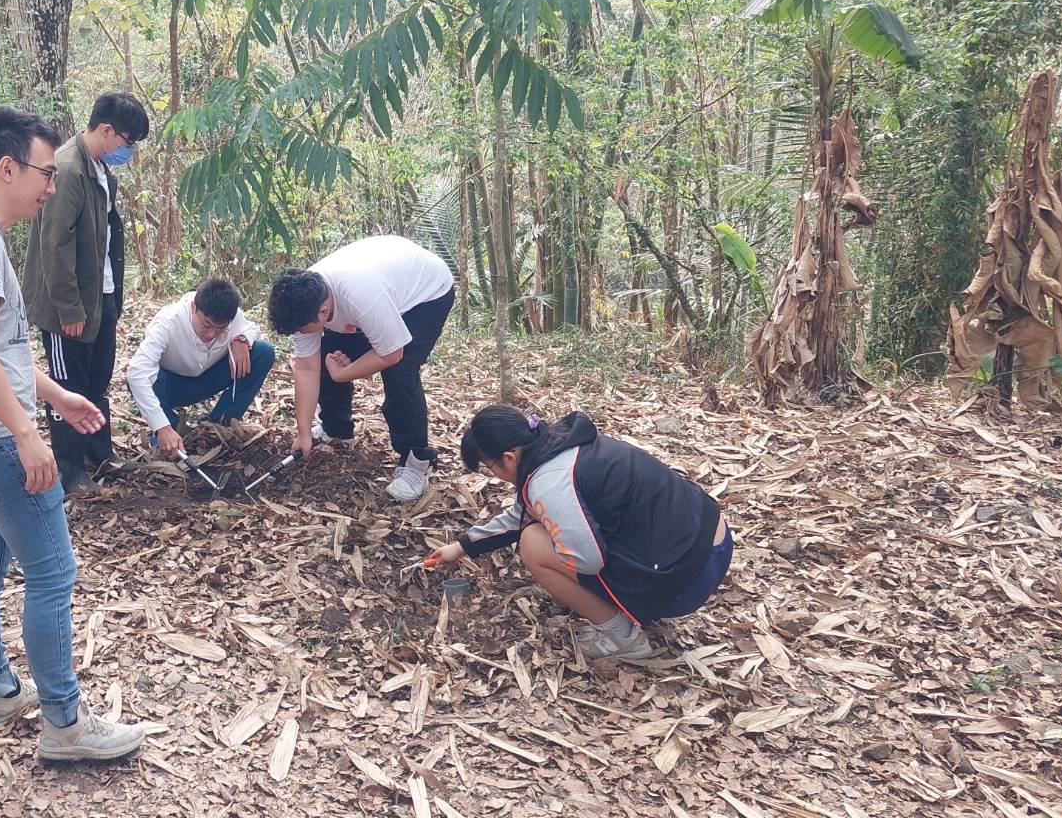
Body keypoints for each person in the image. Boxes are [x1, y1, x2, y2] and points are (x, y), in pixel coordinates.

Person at [0, 105, 148, 761]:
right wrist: (27, 432)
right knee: (51, 575)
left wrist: (56, 395)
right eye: (44, 174)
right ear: (6, 167)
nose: (50, 187)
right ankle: (64, 725)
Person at [430, 406, 733, 661]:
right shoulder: (563, 443)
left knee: (534, 544)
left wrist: (558, 562)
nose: (493, 474)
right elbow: (528, 512)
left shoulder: (549, 482)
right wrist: (463, 546)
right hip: (711, 542)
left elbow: (588, 561)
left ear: (509, 457)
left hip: (685, 582)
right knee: (544, 530)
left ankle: (622, 638)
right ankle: (633, 601)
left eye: (489, 467)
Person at [22, 92, 151, 494]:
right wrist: (68, 308)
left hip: (101, 297)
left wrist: (112, 298)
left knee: (96, 380)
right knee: (67, 385)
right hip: (69, 305)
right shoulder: (68, 169)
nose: (127, 152)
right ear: (107, 130)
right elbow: (55, 245)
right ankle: (71, 467)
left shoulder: (99, 171)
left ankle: (100, 454)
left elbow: (109, 236)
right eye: (127, 143)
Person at [267, 236, 454, 501]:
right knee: (327, 353)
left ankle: (416, 462)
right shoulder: (304, 304)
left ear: (322, 312)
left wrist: (344, 373)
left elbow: (391, 353)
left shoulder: (361, 296)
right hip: (383, 284)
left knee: (400, 371)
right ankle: (336, 428)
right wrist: (303, 431)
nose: (301, 334)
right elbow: (307, 369)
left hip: (425, 296)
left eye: (302, 329)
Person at [125, 278, 276, 457]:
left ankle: (220, 423)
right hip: (171, 386)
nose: (211, 334)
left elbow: (250, 328)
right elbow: (136, 374)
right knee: (143, 377)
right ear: (194, 308)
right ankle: (169, 430)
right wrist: (161, 425)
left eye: (220, 329)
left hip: (209, 378)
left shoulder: (232, 316)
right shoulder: (167, 322)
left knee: (263, 352)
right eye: (206, 325)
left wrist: (241, 339)